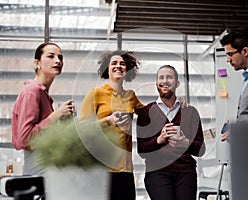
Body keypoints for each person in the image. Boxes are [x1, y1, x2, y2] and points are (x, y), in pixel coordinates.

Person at [79, 50, 143, 200]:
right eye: (114, 63)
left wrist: (173, 103)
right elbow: (82, 129)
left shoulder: (131, 96)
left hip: (125, 170)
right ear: (106, 69)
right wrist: (108, 121)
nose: (118, 66)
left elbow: (150, 114)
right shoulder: (95, 94)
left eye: (122, 64)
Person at [136, 65, 204, 200]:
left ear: (177, 83)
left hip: (185, 172)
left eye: (169, 77)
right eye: (161, 77)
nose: (165, 81)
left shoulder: (190, 112)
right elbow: (142, 151)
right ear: (156, 83)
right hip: (157, 172)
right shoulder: (145, 113)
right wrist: (159, 140)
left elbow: (201, 150)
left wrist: (186, 143)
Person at [11, 42, 75, 175]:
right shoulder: (32, 91)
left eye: (60, 58)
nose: (58, 61)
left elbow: (43, 136)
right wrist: (55, 116)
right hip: (38, 171)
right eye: (51, 56)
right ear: (37, 63)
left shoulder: (43, 94)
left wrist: (63, 120)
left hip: (46, 168)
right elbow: (25, 138)